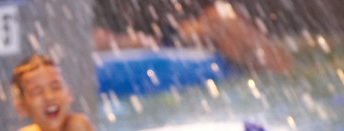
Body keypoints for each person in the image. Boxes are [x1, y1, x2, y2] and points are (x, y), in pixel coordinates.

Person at [93, 1, 293, 73]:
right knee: (222, 20)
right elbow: (95, 39)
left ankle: (278, 68)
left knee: (223, 16)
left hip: (170, 33)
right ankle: (283, 70)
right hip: (156, 40)